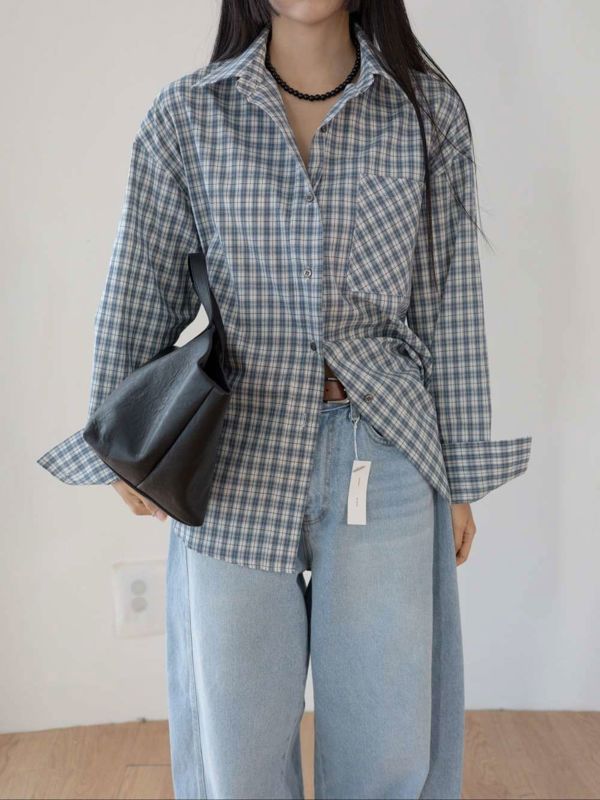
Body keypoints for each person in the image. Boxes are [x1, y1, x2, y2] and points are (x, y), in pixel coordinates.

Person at [37, 1, 533, 798]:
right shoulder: (187, 116)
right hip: (232, 456)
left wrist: (462, 477)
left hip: (384, 449)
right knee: (236, 749)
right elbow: (139, 287)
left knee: (386, 743)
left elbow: (448, 303)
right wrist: (123, 449)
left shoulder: (426, 111)